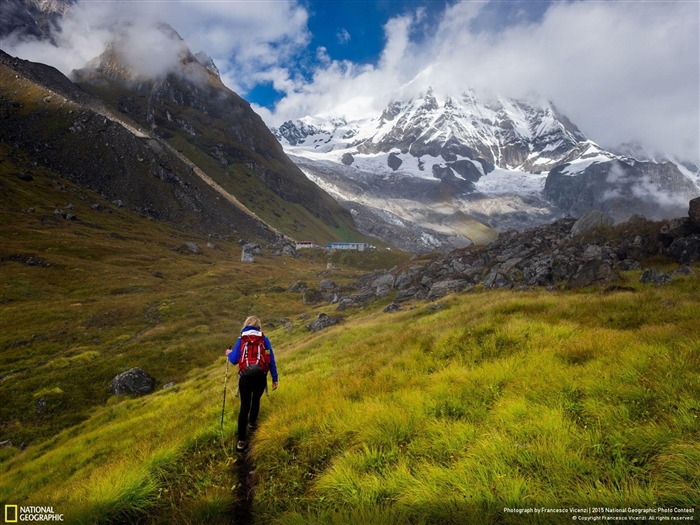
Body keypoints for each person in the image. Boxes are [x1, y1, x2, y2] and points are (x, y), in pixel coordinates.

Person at [227, 316, 278, 452]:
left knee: (245, 406)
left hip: (245, 379)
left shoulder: (241, 339)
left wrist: (229, 353)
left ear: (246, 325)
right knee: (255, 401)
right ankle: (252, 425)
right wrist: (274, 378)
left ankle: (241, 440)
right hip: (260, 377)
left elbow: (234, 360)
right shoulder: (264, 339)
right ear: (259, 326)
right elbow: (270, 359)